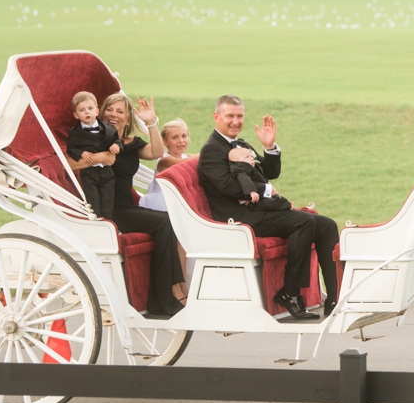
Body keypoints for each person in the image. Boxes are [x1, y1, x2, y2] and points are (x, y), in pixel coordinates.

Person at [198, 95, 339, 319]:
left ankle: (334, 299)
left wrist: (269, 146)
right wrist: (267, 191)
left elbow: (270, 173)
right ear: (217, 116)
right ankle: (290, 293)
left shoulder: (240, 143)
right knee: (303, 221)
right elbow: (227, 186)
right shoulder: (212, 150)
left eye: (240, 116)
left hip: (260, 209)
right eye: (230, 116)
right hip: (239, 217)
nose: (236, 121)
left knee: (327, 225)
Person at [100, 93, 186, 315]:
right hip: (110, 208)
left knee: (168, 222)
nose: (113, 115)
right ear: (102, 112)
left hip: (128, 206)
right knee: (164, 223)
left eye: (120, 112)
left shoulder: (131, 143)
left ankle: (173, 291)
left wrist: (150, 122)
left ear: (128, 119)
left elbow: (156, 152)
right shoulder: (96, 141)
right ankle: (166, 296)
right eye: (109, 109)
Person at [65, 91, 120, 220]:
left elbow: (117, 140)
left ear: (97, 111)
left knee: (108, 200)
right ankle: (96, 225)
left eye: (90, 109)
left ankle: (108, 224)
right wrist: (82, 153)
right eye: (82, 110)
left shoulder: (109, 129)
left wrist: (117, 145)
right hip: (89, 173)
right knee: (93, 202)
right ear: (76, 115)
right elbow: (71, 148)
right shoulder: (74, 133)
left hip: (107, 172)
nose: (87, 112)